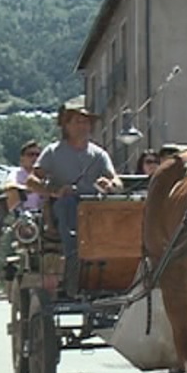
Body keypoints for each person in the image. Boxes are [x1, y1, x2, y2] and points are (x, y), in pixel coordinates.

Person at [27, 97, 122, 297]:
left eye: (86, 122)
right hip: (65, 207)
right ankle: (74, 269)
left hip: (94, 207)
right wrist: (54, 190)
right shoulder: (53, 152)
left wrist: (110, 185)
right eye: (78, 121)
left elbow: (117, 182)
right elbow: (32, 181)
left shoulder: (99, 155)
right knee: (69, 206)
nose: (84, 126)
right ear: (66, 125)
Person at [5, 140, 44, 214]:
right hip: (22, 213)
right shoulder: (16, 173)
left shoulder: (43, 175)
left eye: (38, 155)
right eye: (30, 154)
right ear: (22, 158)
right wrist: (29, 189)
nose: (35, 158)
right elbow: (9, 185)